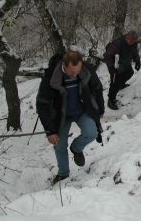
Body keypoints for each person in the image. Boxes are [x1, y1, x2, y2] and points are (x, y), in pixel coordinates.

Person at [36, 50, 105, 185]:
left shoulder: (86, 70)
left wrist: (100, 109)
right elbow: (42, 104)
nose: (75, 75)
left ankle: (76, 149)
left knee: (92, 132)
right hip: (61, 116)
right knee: (59, 145)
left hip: (81, 110)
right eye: (72, 72)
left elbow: (97, 87)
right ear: (64, 65)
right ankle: (63, 175)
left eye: (78, 71)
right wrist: (50, 131)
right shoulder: (51, 76)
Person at [103, 30, 141, 110]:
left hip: (125, 63)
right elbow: (107, 55)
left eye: (134, 41)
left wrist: (137, 61)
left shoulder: (134, 43)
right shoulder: (117, 43)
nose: (132, 42)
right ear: (126, 38)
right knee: (115, 82)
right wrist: (111, 68)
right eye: (130, 40)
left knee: (130, 73)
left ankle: (121, 85)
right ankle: (111, 99)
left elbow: (134, 52)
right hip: (116, 66)